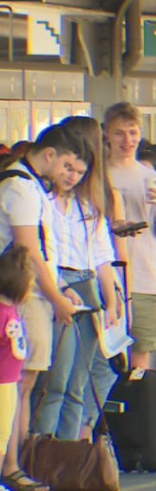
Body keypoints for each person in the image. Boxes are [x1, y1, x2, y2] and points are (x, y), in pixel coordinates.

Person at [0, 125, 89, 491]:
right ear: (49, 155)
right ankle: (11, 464)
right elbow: (29, 249)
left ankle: (14, 461)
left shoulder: (29, 185)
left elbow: (42, 248)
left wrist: (62, 289)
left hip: (31, 291)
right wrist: (56, 298)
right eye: (66, 164)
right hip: (24, 295)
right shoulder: (21, 187)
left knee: (23, 382)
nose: (67, 174)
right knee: (19, 383)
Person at [35, 118, 123, 442]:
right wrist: (62, 289)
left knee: (79, 383)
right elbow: (45, 254)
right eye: (68, 168)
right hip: (61, 282)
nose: (71, 176)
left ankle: (68, 452)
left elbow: (103, 256)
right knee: (56, 380)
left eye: (79, 171)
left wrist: (111, 302)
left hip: (88, 283)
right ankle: (42, 450)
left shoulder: (89, 207)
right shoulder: (44, 202)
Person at [104, 102, 156, 370]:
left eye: (133, 133)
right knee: (105, 359)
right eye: (120, 133)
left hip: (146, 279)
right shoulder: (98, 176)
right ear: (107, 134)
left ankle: (138, 411)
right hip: (108, 279)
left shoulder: (154, 178)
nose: (127, 140)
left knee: (141, 358)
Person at [0, 247, 32, 491]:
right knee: (1, 435)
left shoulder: (9, 312)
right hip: (4, 384)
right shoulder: (7, 315)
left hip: (9, 382)